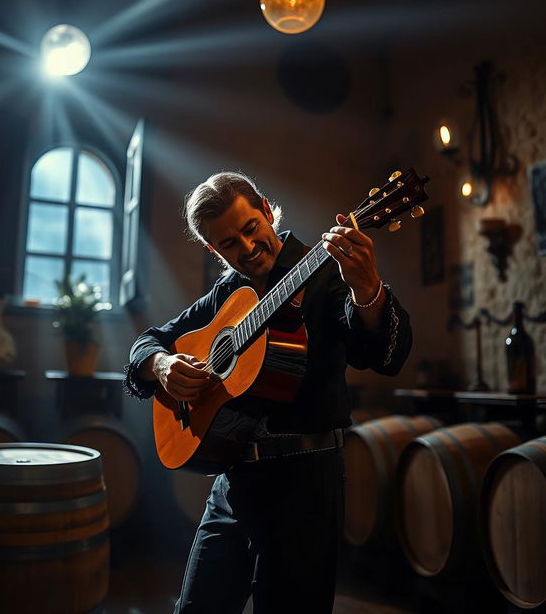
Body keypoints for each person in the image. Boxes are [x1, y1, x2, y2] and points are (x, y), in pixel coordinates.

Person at [124, 171, 412, 613]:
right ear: (212, 249)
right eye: (228, 244)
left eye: (250, 228)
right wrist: (161, 366)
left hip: (306, 481)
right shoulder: (228, 293)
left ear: (264, 207)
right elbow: (150, 340)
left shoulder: (324, 273)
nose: (246, 248)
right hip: (234, 481)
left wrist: (368, 290)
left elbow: (379, 356)